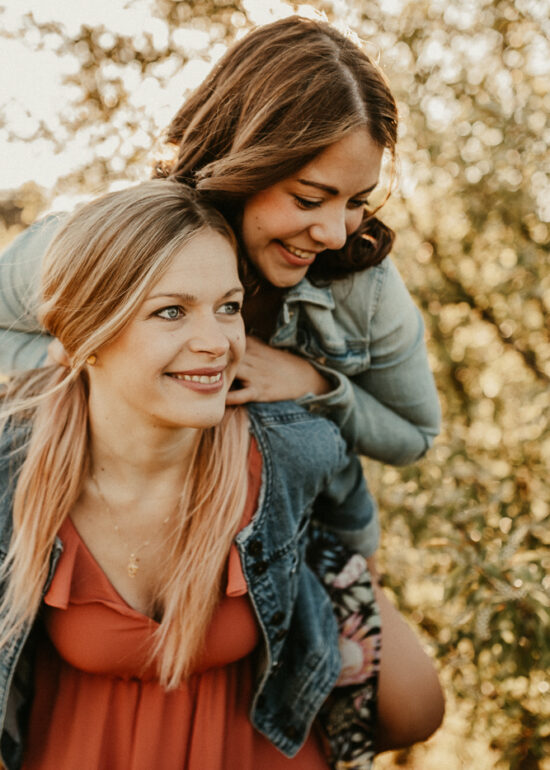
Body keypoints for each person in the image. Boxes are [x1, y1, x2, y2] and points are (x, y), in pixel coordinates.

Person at [0, 15, 444, 753]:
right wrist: (83, 365)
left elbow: (413, 435)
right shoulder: (109, 244)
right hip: (118, 482)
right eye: (309, 198)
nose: (335, 230)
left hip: (280, 508)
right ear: (244, 161)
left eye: (357, 199)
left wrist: (309, 380)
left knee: (403, 702)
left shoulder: (358, 284)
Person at [0, 180, 382, 770]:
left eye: (228, 307)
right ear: (86, 334)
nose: (217, 343)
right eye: (171, 311)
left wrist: (359, 586)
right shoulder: (15, 464)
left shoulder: (287, 448)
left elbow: (348, 498)